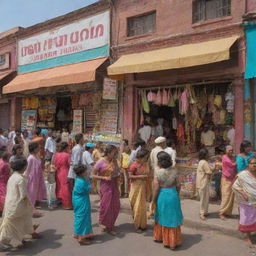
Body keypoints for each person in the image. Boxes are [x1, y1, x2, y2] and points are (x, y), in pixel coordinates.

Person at [0, 157, 40, 249]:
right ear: (23, 167)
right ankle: (4, 241)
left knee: (15, 224)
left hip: (10, 204)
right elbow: (24, 196)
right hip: (18, 206)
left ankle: (19, 240)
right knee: (10, 226)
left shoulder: (12, 177)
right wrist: (31, 207)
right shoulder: (21, 179)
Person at [152, 152, 183, 250]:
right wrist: (176, 194)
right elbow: (178, 185)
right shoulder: (175, 171)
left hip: (163, 196)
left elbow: (156, 189)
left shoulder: (158, 172)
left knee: (162, 216)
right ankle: (173, 242)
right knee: (173, 217)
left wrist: (153, 200)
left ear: (160, 161)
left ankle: (160, 238)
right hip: (173, 195)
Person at [92, 145, 120, 235]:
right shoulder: (100, 162)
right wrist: (103, 177)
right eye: (113, 153)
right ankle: (106, 225)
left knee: (115, 206)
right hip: (105, 186)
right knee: (106, 206)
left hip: (114, 185)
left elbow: (116, 173)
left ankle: (110, 224)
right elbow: (93, 175)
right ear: (108, 153)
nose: (115, 154)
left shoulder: (114, 161)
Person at [233, 157, 256, 248]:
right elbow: (235, 186)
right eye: (252, 163)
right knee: (247, 220)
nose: (254, 165)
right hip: (246, 203)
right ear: (248, 165)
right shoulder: (243, 175)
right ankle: (247, 238)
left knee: (254, 220)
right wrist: (243, 194)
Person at [129, 149, 150, 232]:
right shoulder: (134, 165)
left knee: (142, 207)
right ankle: (137, 226)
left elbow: (148, 174)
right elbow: (130, 176)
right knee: (137, 206)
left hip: (143, 187)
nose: (146, 159)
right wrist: (140, 177)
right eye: (145, 157)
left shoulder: (145, 164)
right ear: (141, 157)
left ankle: (142, 224)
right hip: (136, 187)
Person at [72, 165, 93, 245]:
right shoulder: (82, 181)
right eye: (85, 171)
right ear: (81, 173)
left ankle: (78, 233)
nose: (86, 172)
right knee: (83, 217)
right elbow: (88, 190)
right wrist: (90, 182)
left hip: (77, 199)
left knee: (79, 216)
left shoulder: (78, 179)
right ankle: (81, 237)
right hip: (82, 200)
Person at [25, 142, 46, 216]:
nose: (38, 149)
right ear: (33, 149)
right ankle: (30, 210)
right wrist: (26, 179)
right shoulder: (30, 158)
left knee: (35, 193)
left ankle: (31, 209)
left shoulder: (36, 156)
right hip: (32, 179)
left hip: (37, 178)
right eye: (37, 147)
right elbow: (27, 170)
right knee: (31, 194)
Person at [219, 145, 236, 220]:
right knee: (225, 197)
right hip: (226, 179)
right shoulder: (225, 157)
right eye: (229, 150)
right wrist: (238, 160)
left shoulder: (232, 157)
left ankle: (227, 212)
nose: (231, 151)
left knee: (231, 197)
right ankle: (221, 213)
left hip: (232, 179)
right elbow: (232, 165)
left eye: (232, 150)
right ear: (226, 150)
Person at [196, 148, 214, 220]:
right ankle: (202, 213)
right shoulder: (204, 162)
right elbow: (209, 172)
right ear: (205, 155)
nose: (209, 155)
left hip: (201, 182)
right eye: (207, 154)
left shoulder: (201, 161)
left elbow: (208, 169)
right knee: (204, 199)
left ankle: (204, 212)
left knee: (205, 198)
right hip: (203, 182)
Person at [54, 141, 72, 209]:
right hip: (65, 172)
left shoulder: (57, 154)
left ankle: (59, 200)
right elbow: (70, 164)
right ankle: (67, 204)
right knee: (66, 188)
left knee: (59, 186)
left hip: (58, 172)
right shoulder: (67, 155)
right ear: (66, 147)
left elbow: (54, 163)